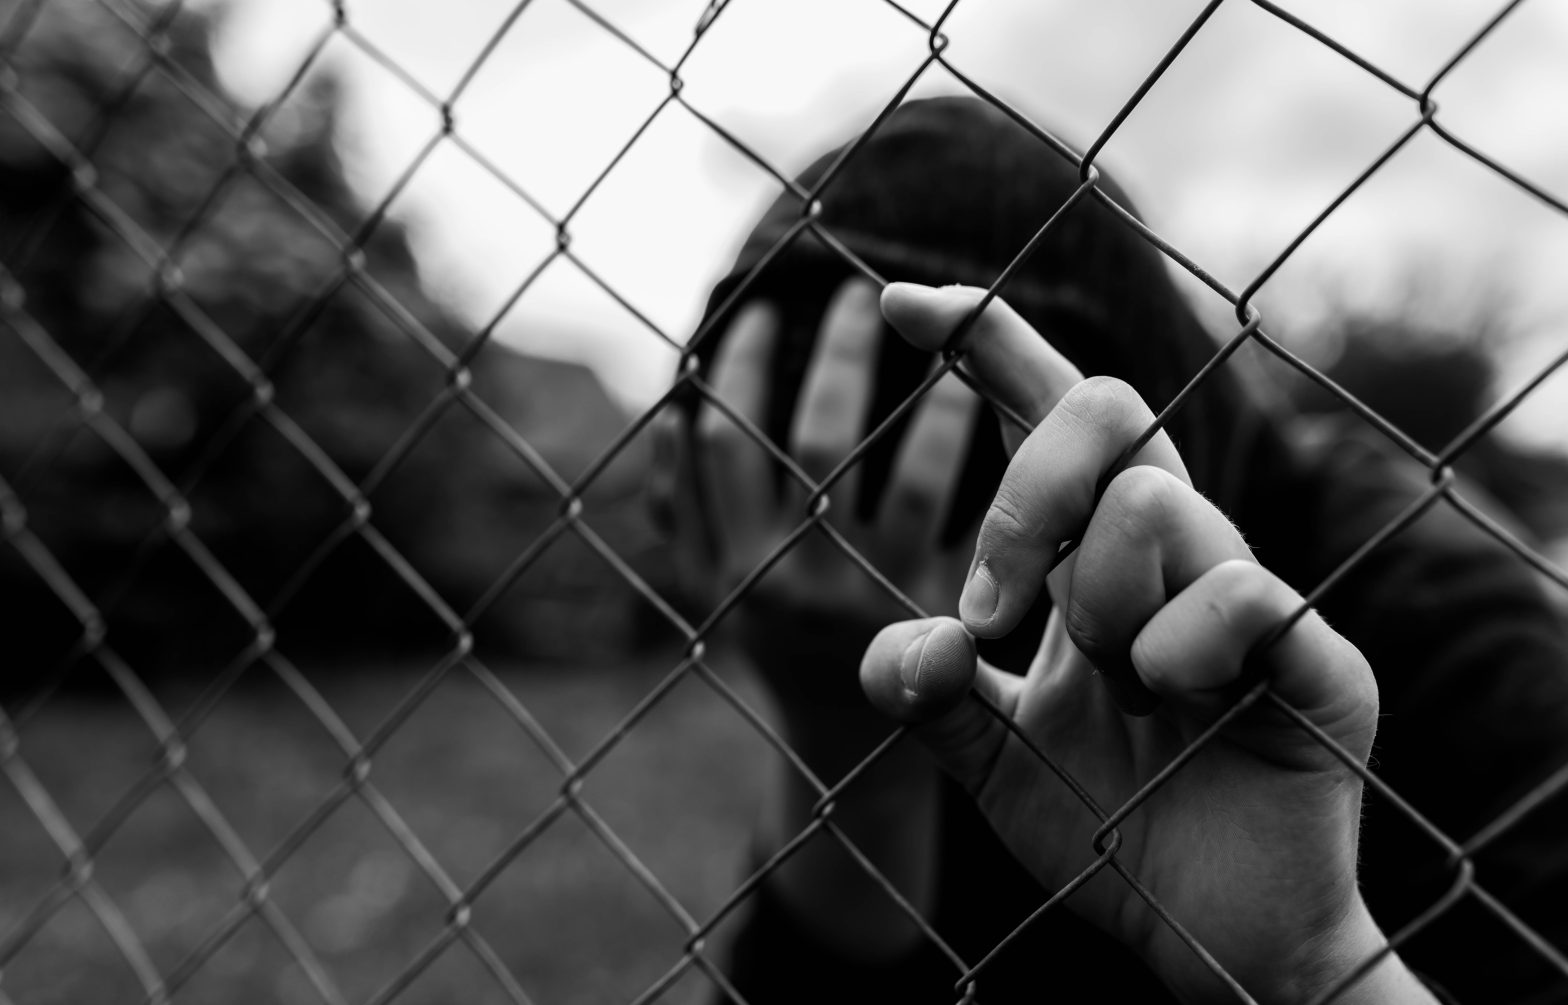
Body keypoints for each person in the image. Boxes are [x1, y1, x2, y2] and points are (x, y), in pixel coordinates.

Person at [652, 96, 1568, 1002]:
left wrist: (1318, 968)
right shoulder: (861, 625)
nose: (848, 527)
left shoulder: (1443, 613)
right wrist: (844, 746)